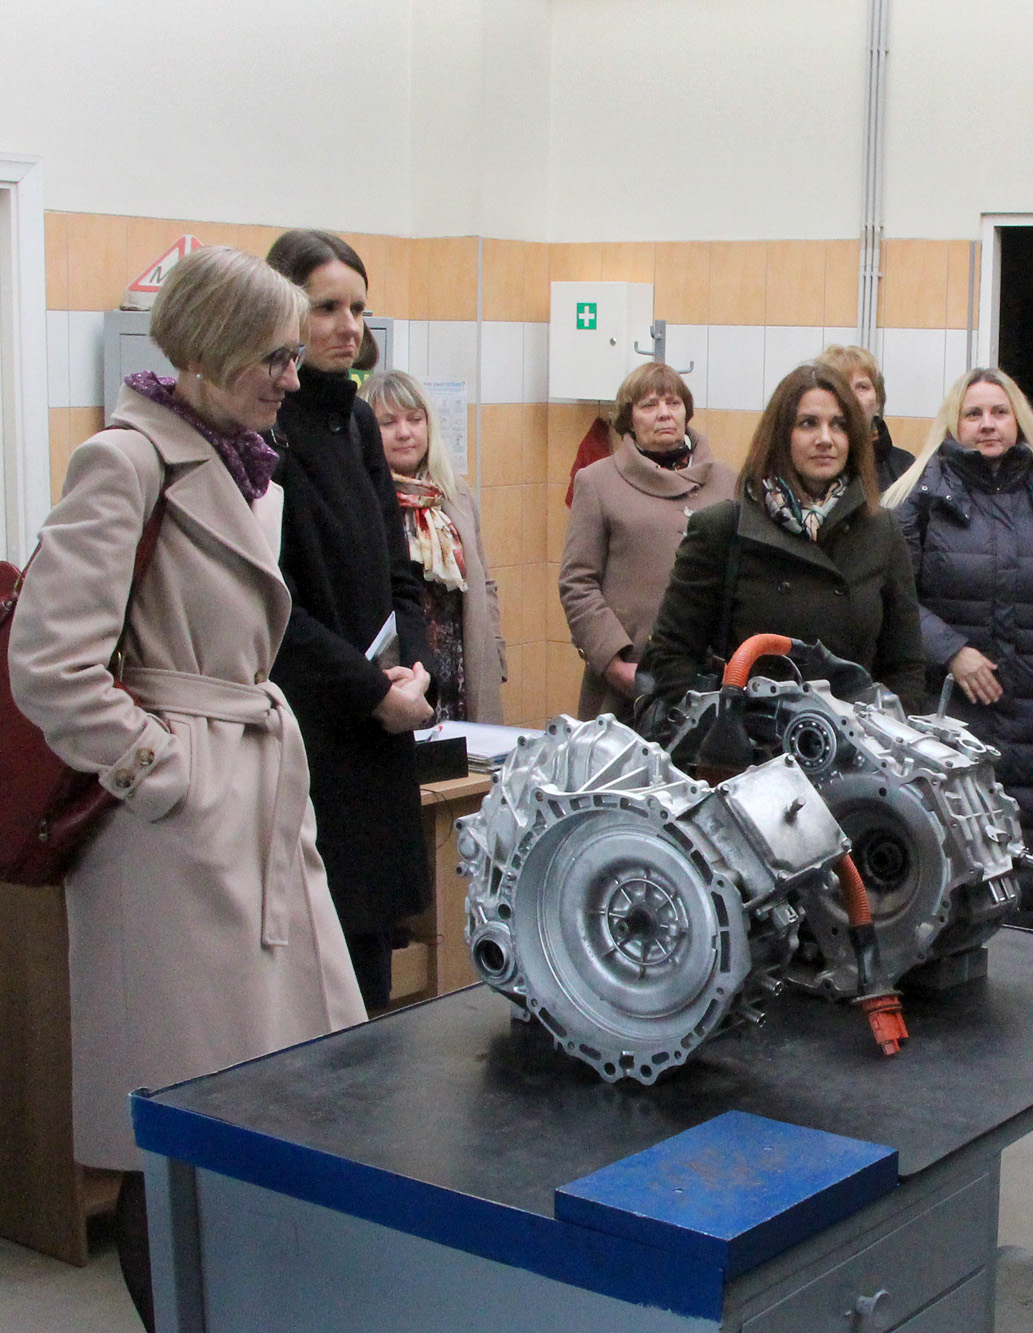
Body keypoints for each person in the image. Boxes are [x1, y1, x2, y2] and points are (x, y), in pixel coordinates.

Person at [9, 246, 366, 1331]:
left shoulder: (239, 463)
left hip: (252, 794)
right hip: (174, 836)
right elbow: (48, 663)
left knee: (272, 1098)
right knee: (176, 1127)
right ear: (208, 353)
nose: (294, 376)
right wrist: (161, 774)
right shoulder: (128, 461)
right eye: (274, 356)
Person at [265, 228, 437, 1011]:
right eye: (326, 307)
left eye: (358, 309)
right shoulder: (267, 432)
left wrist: (416, 667)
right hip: (315, 723)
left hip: (382, 720)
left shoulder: (359, 421)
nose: (348, 326)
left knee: (373, 963)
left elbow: (398, 568)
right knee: (320, 970)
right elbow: (277, 604)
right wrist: (371, 689)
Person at [886, 369, 1033, 926]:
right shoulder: (919, 494)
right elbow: (895, 597)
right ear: (954, 424)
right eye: (974, 414)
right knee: (954, 857)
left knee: (1032, 852)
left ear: (1018, 420)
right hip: (949, 710)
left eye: (999, 412)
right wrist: (952, 651)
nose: (987, 424)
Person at [639, 362, 925, 713]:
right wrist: (722, 729)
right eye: (808, 423)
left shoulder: (882, 531)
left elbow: (905, 666)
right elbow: (672, 656)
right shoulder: (722, 529)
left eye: (838, 424)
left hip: (850, 740)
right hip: (749, 740)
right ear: (780, 434)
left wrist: (882, 731)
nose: (825, 438)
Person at [560, 361, 736, 721]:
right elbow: (578, 583)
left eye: (673, 403)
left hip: (715, 681)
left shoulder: (728, 481)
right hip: (629, 682)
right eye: (649, 405)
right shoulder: (597, 482)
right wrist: (613, 663)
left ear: (686, 411)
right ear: (629, 418)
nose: (664, 414)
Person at [359, 370, 506, 723]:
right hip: (396, 670)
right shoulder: (361, 498)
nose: (405, 432)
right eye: (388, 422)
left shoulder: (454, 494)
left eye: (415, 419)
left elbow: (484, 582)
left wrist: (495, 652)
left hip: (461, 661)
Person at [820, 342, 917, 490]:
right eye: (841, 386)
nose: (852, 397)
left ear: (878, 400)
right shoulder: (811, 462)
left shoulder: (905, 467)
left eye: (862, 387)